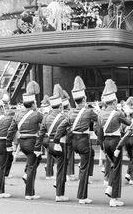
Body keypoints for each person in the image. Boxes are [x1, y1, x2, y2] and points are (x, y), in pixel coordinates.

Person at [54, 76, 98, 204]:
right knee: (83, 169)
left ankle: (59, 193)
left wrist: (56, 141)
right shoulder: (89, 111)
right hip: (83, 141)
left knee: (63, 165)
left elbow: (62, 126)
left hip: (72, 140)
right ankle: (82, 197)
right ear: (84, 99)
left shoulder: (70, 112)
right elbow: (99, 120)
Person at [6, 80, 43, 200]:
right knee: (32, 166)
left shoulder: (17, 114)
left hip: (22, 143)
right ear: (32, 104)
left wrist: (8, 143)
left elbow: (11, 130)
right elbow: (43, 126)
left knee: (34, 161)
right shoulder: (37, 114)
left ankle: (27, 175)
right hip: (32, 142)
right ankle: (29, 193)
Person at [97, 79, 132, 207]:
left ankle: (110, 187)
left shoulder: (101, 114)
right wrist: (127, 113)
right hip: (116, 142)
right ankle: (114, 198)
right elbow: (129, 123)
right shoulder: (118, 113)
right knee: (117, 168)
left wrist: (102, 145)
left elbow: (98, 130)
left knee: (112, 165)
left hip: (106, 142)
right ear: (114, 101)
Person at [35, 87, 70, 202]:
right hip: (60, 143)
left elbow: (40, 133)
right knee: (61, 170)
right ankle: (59, 194)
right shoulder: (64, 116)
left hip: (49, 145)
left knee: (58, 167)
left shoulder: (46, 117)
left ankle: (56, 182)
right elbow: (68, 131)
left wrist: (37, 147)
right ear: (60, 106)